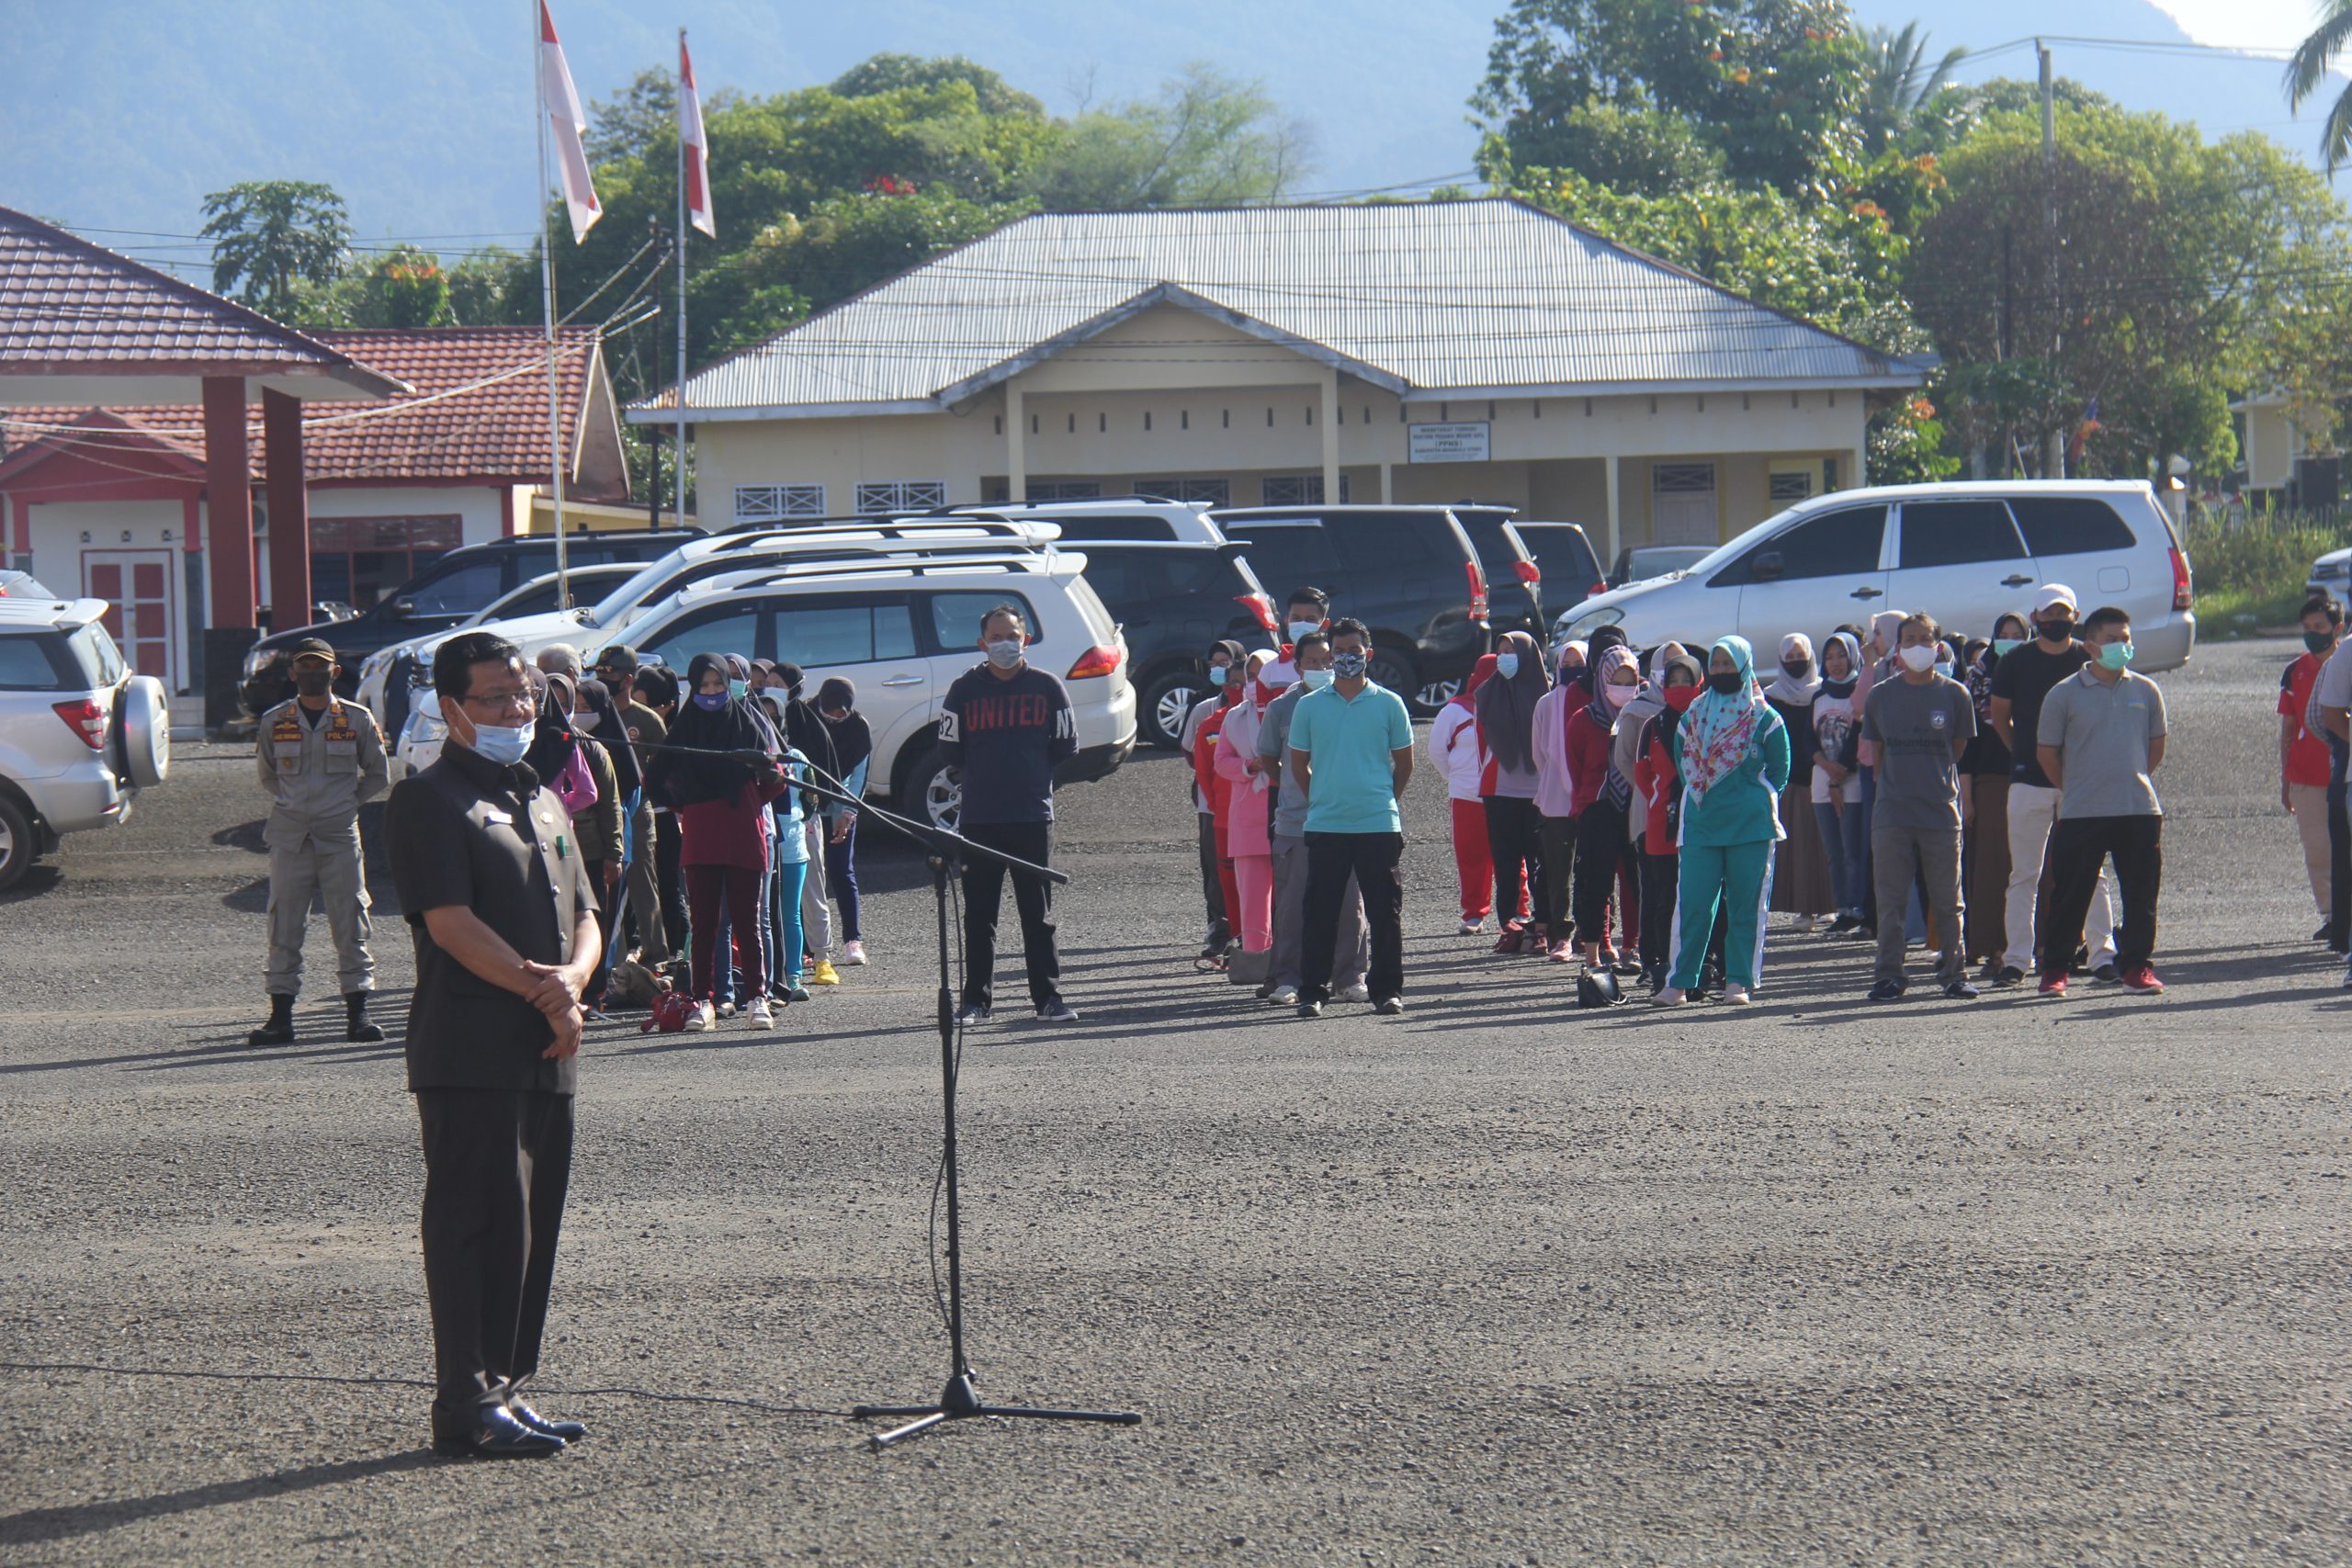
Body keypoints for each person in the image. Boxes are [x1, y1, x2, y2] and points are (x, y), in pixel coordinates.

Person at [384, 630, 601, 1459]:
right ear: (452, 710)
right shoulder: (429, 798)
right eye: (497, 698)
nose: (518, 709)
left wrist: (574, 983)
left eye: (526, 695)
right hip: (472, 1047)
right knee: (477, 1222)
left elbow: (587, 911)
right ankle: (465, 1401)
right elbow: (450, 924)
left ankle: (506, 1386)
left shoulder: (540, 796)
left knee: (530, 1226)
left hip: (550, 1043)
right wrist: (545, 989)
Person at [247, 637, 390, 1047]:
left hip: (339, 834)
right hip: (290, 835)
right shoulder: (275, 721)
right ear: (292, 673)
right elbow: (267, 775)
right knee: (284, 923)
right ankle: (280, 1019)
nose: (312, 673)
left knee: (351, 920)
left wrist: (345, 804)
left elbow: (378, 775)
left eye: (320, 667)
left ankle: (358, 1014)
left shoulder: (357, 719)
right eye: (304, 667)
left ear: (335, 672)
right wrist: (296, 804)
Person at [943, 604, 1080, 1023]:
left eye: (1013, 636)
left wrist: (1032, 779)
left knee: (1037, 915)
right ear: (982, 643)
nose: (1005, 644)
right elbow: (949, 750)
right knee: (979, 915)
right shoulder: (962, 691)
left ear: (1027, 639)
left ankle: (1048, 999)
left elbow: (1064, 746)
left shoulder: (1048, 687)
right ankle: (976, 1002)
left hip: (1032, 817)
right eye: (996, 637)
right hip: (980, 819)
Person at [641, 653, 790, 1032]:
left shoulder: (748, 723)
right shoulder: (685, 729)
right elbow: (657, 780)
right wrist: (690, 803)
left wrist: (759, 773)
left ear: (729, 684)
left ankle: (758, 998)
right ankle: (701, 1001)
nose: (711, 692)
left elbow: (776, 781)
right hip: (701, 836)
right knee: (704, 923)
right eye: (703, 686)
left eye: (718, 685)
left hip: (744, 833)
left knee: (748, 921)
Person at [2034, 605, 2169, 997]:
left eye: (2126, 639)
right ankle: (2055, 970)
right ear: (2091, 645)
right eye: (2112, 640)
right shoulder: (2063, 695)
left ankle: (2137, 967)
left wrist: (2128, 777)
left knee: (2141, 895)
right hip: (2082, 811)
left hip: (2138, 809)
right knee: (2071, 894)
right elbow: (2048, 754)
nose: (2122, 646)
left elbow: (2155, 749)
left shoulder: (2146, 690)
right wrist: (2077, 786)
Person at [1989, 585, 2118, 986]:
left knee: (2092, 872)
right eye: (2048, 614)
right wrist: (2025, 755)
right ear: (2035, 618)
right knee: (2024, 874)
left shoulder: (2089, 658)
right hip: (2029, 779)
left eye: (2063, 613)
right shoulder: (2015, 662)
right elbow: (2000, 718)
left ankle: (2102, 955)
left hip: (2082, 782)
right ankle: (2017, 960)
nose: (2056, 621)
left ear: (2076, 616)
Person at [1288, 617, 1413, 1018]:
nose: (1345, 660)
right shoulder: (1309, 706)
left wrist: (1383, 802)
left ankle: (1387, 990)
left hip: (1378, 824)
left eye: (1353, 653)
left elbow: (1405, 764)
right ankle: (1312, 990)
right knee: (1319, 911)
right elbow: (1298, 763)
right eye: (1338, 653)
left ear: (1368, 655)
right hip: (1326, 825)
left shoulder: (1389, 704)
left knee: (1384, 912)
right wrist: (1321, 800)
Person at [1656, 637, 1790, 1008]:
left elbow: (1779, 772)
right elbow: (1685, 766)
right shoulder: (1693, 717)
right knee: (1694, 905)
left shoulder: (1766, 718)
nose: (1722, 672)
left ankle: (1739, 982)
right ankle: (1679, 983)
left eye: (1730, 665)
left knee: (1745, 907)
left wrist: (1748, 797)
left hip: (1751, 828)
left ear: (1744, 667)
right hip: (1701, 825)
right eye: (1717, 665)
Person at [1861, 613, 1979, 1002]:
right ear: (1897, 647)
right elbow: (1877, 755)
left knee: (1948, 900)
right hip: (1893, 813)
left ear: (1937, 644)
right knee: (1891, 900)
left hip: (1940, 812)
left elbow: (1957, 750)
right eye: (1908, 639)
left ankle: (1954, 974)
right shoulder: (1881, 695)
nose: (1916, 646)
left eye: (1924, 639)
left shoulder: (1955, 695)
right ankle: (1889, 976)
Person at [1258, 633, 1367, 1008]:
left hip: (1347, 820)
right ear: (1298, 665)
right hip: (1296, 822)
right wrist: (1295, 790)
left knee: (1350, 904)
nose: (1321, 667)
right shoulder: (1281, 709)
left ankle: (1349, 977)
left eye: (1327, 660)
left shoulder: (1353, 701)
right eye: (1313, 661)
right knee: (1291, 906)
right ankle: (1289, 978)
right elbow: (1270, 760)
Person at [541, 673, 622, 1015]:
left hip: (584, 849)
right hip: (540, 850)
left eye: (566, 702)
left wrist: (613, 852)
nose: (559, 710)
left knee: (588, 921)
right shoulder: (531, 741)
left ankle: (591, 993)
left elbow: (605, 802)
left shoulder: (586, 746)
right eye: (551, 701)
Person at [1476, 628, 1551, 952]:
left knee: (1541, 864)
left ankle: (1542, 926)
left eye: (1512, 650)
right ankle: (1509, 926)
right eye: (1501, 650)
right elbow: (1481, 745)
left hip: (1537, 792)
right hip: (1500, 791)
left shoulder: (1546, 696)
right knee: (1506, 864)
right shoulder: (1487, 693)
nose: (1505, 656)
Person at [767, 661, 841, 987]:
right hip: (771, 826)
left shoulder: (809, 725)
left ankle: (823, 957)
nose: (770, 688)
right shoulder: (759, 723)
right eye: (765, 682)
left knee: (812, 892)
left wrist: (814, 814)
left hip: (804, 825)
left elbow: (824, 780)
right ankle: (785, 966)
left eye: (777, 683)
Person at [1633, 652, 1702, 993]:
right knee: (1663, 901)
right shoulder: (1653, 726)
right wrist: (1667, 801)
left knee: (1697, 900)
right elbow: (1643, 776)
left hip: (1702, 825)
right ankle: (1662, 967)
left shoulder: (1708, 721)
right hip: (1662, 827)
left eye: (1685, 681)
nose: (1678, 688)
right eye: (1672, 682)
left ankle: (1700, 968)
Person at [1568, 643, 1640, 971]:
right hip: (1597, 807)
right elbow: (1576, 765)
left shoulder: (1643, 716)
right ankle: (1595, 953)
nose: (1623, 688)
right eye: (1617, 680)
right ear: (1603, 679)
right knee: (1596, 882)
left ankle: (1634, 947)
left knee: (1637, 880)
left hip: (1635, 806)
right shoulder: (1583, 720)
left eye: (1630, 681)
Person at [1960, 615, 2026, 970]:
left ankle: (2038, 946)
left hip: (2034, 782)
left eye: (2018, 636)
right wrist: (1967, 800)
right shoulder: (1975, 683)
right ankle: (1993, 946)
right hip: (1989, 788)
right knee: (1992, 871)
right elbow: (1966, 752)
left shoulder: (2035, 676)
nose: (2011, 641)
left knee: (2033, 870)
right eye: (2004, 635)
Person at [1214, 649, 1281, 971]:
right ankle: (1257, 962)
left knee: (1293, 896)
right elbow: (1221, 762)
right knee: (1253, 900)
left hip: (1288, 815)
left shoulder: (1292, 709)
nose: (1255, 682)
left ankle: (1292, 962)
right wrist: (1250, 766)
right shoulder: (1235, 715)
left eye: (1262, 674)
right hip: (1248, 820)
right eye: (1251, 675)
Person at [1764, 633, 1833, 932]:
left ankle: (1832, 906)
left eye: (1800, 657)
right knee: (1798, 850)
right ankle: (1805, 911)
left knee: (1826, 846)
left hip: (1821, 777)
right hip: (1788, 782)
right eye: (1789, 658)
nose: (1795, 663)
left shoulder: (1822, 693)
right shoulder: (1771, 696)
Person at [2280, 595, 2340, 941]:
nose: (2312, 634)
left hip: (2344, 773)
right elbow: (2288, 729)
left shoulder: (2346, 664)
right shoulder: (2295, 671)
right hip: (2306, 776)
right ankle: (2333, 916)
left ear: (2339, 629)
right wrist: (2285, 778)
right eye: (2306, 628)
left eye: (2319, 627)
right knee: (2318, 850)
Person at [1178, 640, 1242, 958]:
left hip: (1249, 804)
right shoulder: (1205, 709)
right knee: (1216, 868)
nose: (1221, 670)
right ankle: (1220, 928)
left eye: (1226, 662)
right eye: (1215, 663)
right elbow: (1192, 750)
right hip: (1212, 804)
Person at [1428, 653, 1498, 934]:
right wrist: (1457, 779)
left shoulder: (1513, 704)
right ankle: (1474, 913)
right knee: (1471, 855)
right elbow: (1436, 752)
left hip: (1505, 794)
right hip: (1467, 795)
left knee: (1513, 857)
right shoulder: (1455, 711)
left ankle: (1519, 911)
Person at [1807, 631, 1867, 936]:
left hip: (1850, 785)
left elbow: (1858, 738)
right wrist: (1826, 767)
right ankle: (1842, 906)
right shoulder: (1819, 695)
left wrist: (1838, 775)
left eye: (1841, 655)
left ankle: (1857, 908)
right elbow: (1808, 739)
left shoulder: (1860, 693)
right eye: (1829, 657)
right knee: (1833, 851)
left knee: (1852, 850)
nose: (1835, 663)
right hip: (1822, 784)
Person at [630, 666, 690, 961]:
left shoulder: (675, 731)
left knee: (668, 884)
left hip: (667, 816)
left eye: (645, 703)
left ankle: (679, 948)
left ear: (665, 706)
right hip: (638, 813)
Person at [1531, 643, 1584, 962]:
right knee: (1557, 870)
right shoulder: (1546, 703)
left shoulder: (1596, 699)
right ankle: (1560, 935)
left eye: (1579, 661)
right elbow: (1539, 752)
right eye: (1568, 661)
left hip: (1590, 796)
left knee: (1593, 869)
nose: (1573, 666)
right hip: (1554, 798)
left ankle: (1596, 934)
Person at [814, 677, 873, 965]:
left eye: (841, 711)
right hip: (808, 808)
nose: (835, 716)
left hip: (841, 807)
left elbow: (859, 777)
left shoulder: (858, 727)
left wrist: (847, 815)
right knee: (809, 879)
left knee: (841, 871)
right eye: (830, 710)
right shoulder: (806, 718)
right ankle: (806, 948)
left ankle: (853, 940)